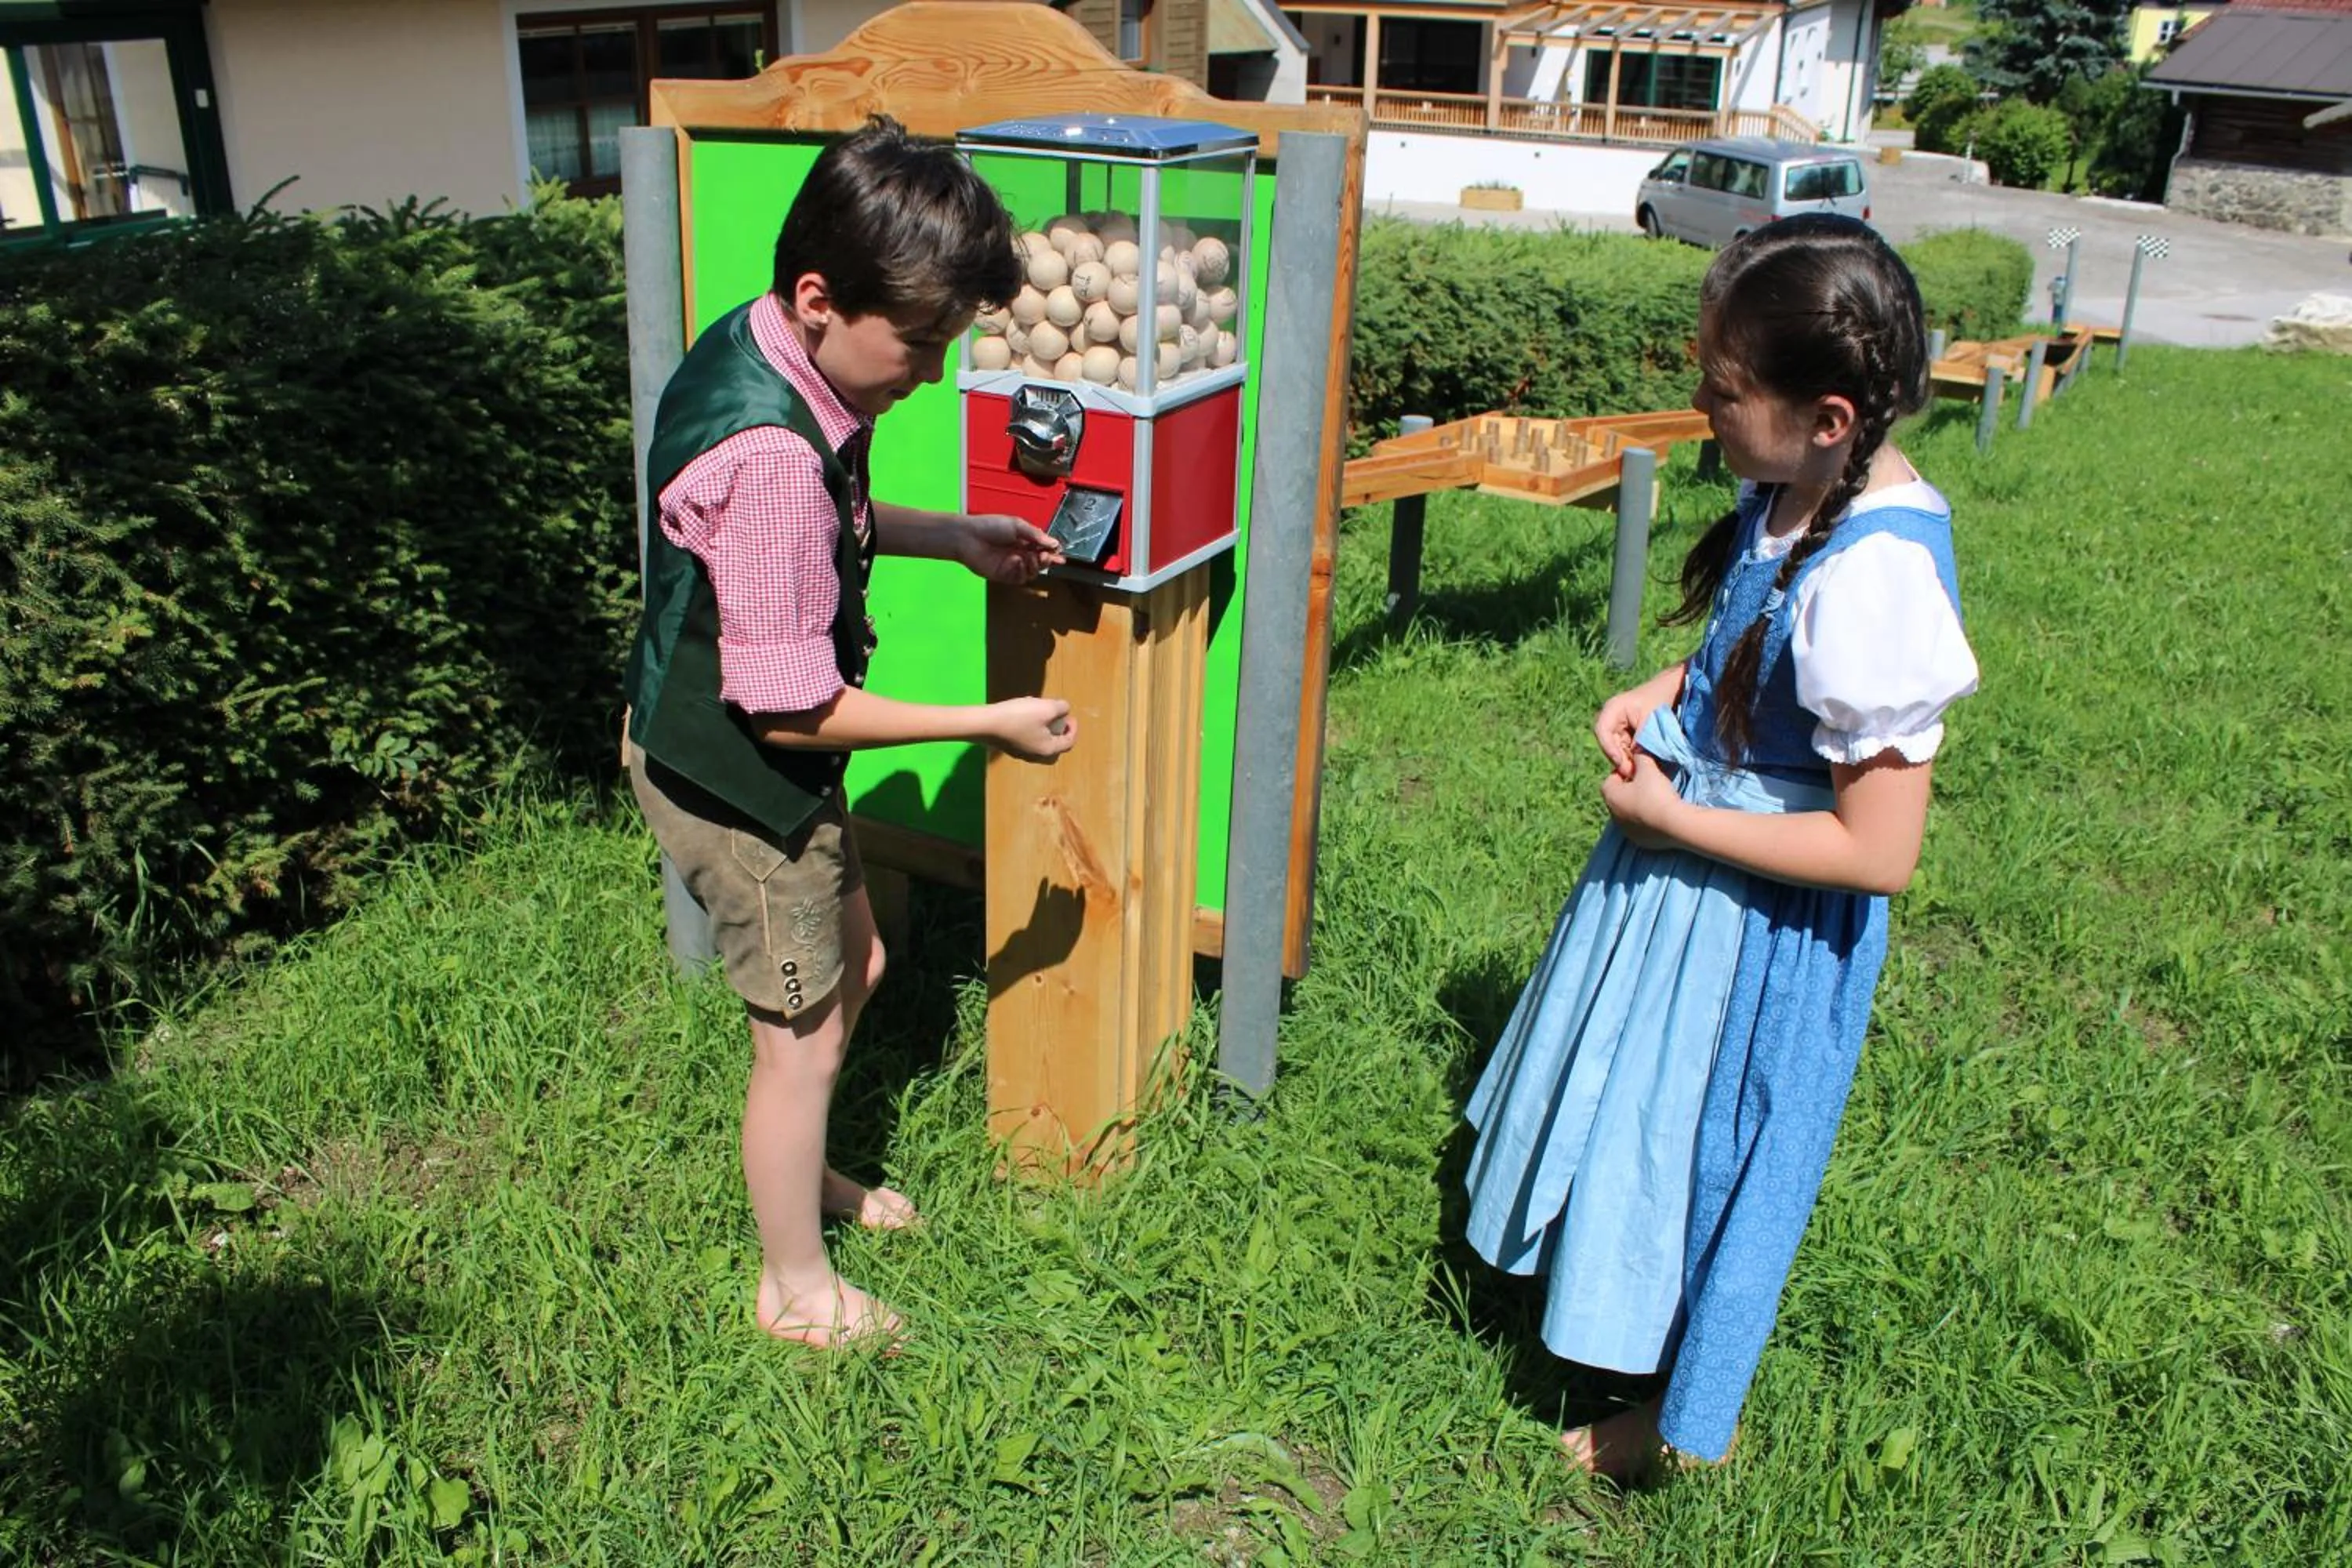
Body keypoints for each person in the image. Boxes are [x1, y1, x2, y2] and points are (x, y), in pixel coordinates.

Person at [1460, 215, 1980, 1476]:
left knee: (1715, 1148)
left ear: (1832, 417)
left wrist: (1673, 817)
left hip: (1763, 934)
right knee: (1637, 1105)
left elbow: (1878, 852)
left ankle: (1685, 1425)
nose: (1702, 405)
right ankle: (1599, 1303)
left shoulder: (1880, 578)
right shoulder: (1797, 490)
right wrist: (1667, 687)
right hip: (1692, 880)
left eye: (1724, 389)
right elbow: (1764, 644)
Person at [622, 117, 1076, 1348]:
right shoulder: (770, 451)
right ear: (822, 298)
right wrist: (987, 724)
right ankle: (795, 1288)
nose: (929, 373)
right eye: (921, 345)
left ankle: (802, 1162)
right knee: (803, 1039)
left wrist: (949, 531)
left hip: (762, 757)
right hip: (738, 777)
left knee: (861, 967)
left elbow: (839, 510)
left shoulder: (775, 348)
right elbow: (789, 704)